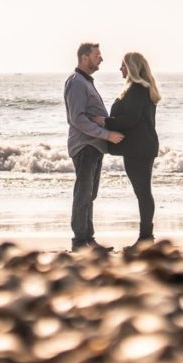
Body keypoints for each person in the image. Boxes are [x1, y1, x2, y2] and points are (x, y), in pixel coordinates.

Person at [92, 52, 160, 243]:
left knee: (143, 193)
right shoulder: (140, 88)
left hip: (139, 149)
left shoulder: (137, 89)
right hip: (142, 147)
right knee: (143, 192)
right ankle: (146, 236)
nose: (120, 69)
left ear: (131, 67)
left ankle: (146, 238)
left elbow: (131, 120)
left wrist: (104, 121)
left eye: (123, 65)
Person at [64, 43, 125, 251]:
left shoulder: (85, 82)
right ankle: (80, 241)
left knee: (90, 194)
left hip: (94, 146)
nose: (101, 59)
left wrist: (105, 124)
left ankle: (88, 239)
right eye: (97, 55)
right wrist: (107, 134)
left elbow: (88, 115)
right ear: (84, 58)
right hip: (85, 145)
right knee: (83, 193)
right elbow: (77, 119)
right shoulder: (77, 83)